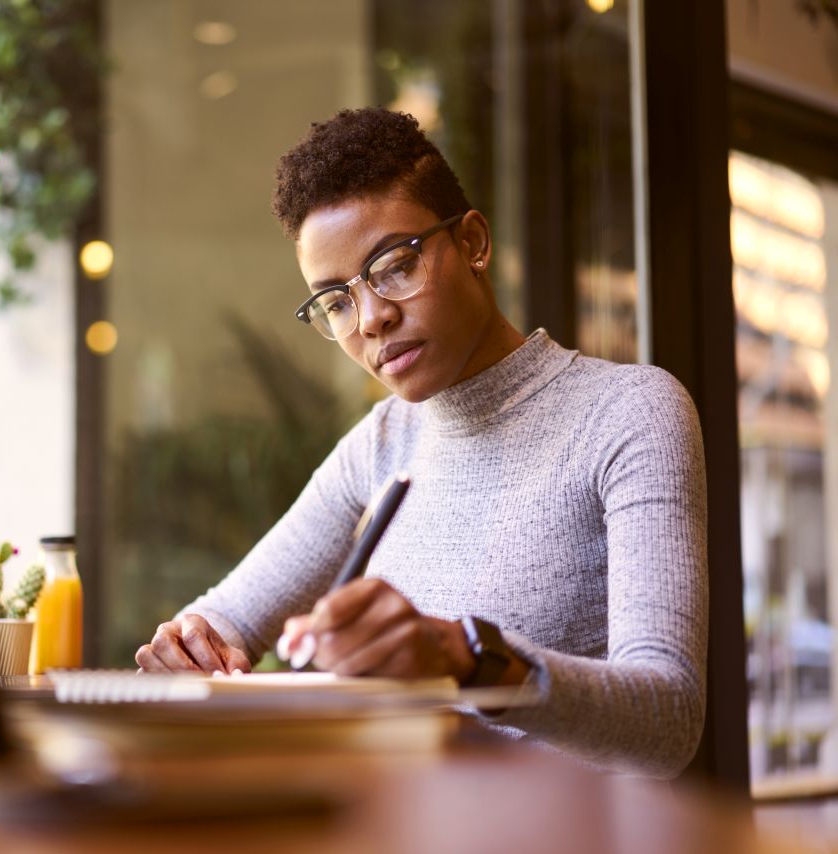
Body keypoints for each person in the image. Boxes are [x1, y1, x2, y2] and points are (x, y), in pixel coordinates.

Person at [134, 107, 707, 779]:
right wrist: (191, 642)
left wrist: (465, 658)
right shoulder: (379, 446)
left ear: (472, 243)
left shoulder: (627, 412)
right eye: (336, 302)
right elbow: (226, 619)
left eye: (393, 266)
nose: (371, 318)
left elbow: (670, 717)